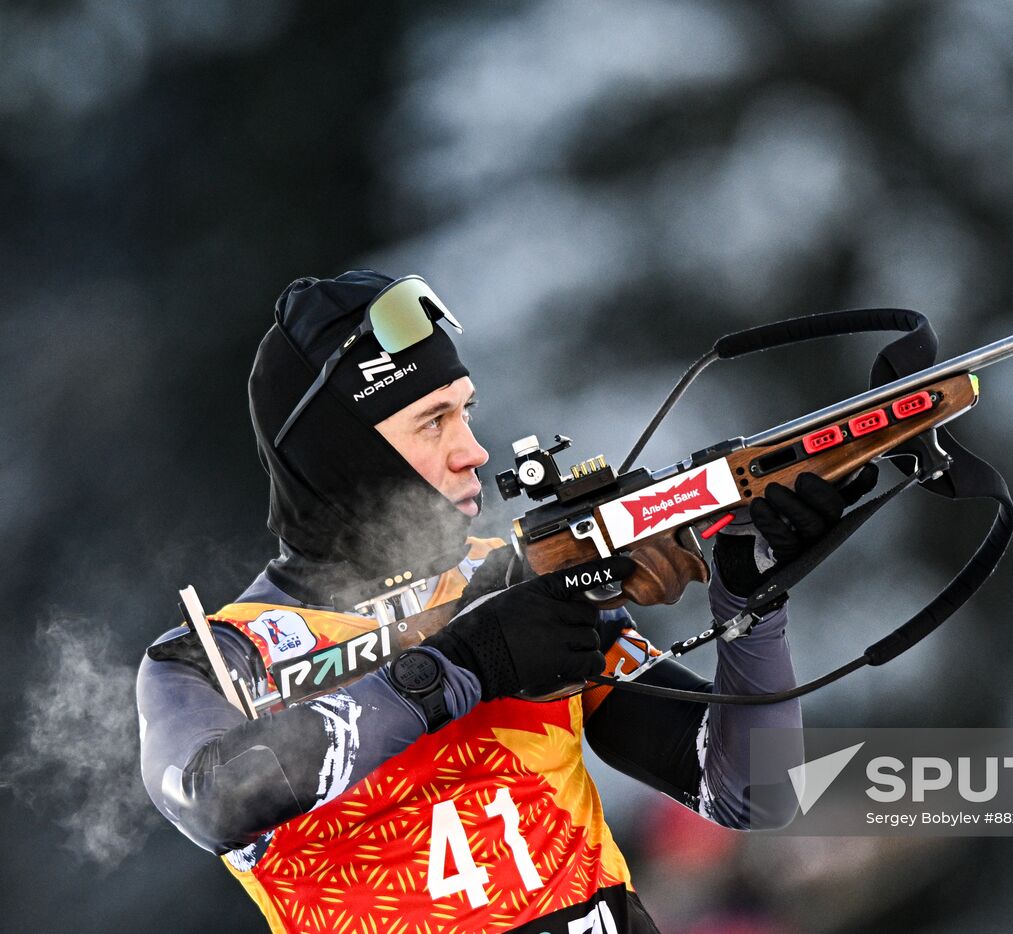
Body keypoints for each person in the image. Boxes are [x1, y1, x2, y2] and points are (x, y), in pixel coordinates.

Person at [136, 270, 877, 933]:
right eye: (433, 421)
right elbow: (214, 799)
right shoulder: (218, 657)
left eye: (464, 410)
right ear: (344, 449)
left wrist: (750, 608)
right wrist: (463, 664)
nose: (474, 449)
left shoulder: (515, 583)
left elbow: (753, 796)